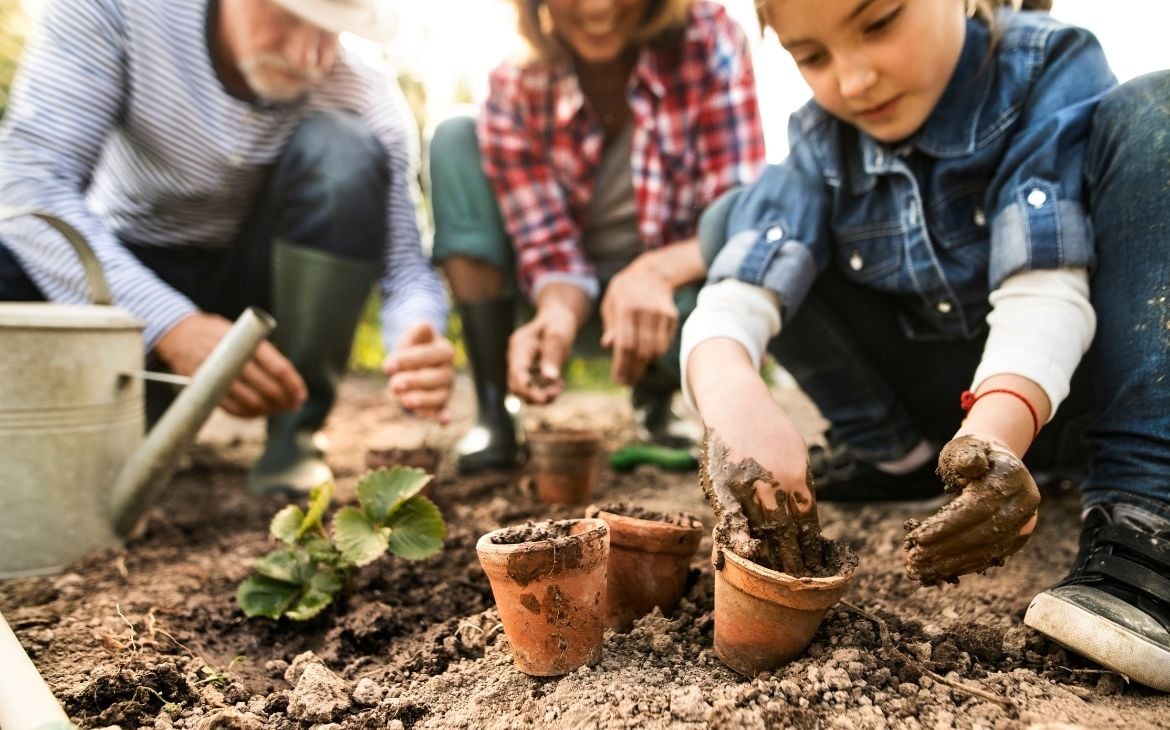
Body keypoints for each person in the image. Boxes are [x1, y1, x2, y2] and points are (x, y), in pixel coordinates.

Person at [682, 0, 1169, 691]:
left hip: (1079, 396)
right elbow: (737, 293)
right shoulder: (821, 138)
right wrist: (734, 397)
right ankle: (901, 460)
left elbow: (1045, 290)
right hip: (948, 416)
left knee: (1157, 108)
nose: (853, 80)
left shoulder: (1047, 68)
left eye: (879, 22)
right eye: (812, 56)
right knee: (734, 222)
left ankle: (1146, 515)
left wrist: (995, 434)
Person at [0, 0, 456, 496]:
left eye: (332, 31)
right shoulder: (115, 11)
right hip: (127, 272)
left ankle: (294, 435)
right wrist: (170, 325)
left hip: (259, 288)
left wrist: (416, 334)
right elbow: (28, 182)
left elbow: (405, 268)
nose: (308, 57)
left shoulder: (364, 91)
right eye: (289, 17)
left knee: (344, 149)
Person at [428, 0, 766, 473]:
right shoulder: (514, 84)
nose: (599, 5)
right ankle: (493, 405)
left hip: (673, 300)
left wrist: (654, 273)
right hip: (564, 302)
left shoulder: (709, 37)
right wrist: (557, 311)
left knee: (742, 276)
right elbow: (547, 247)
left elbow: (738, 216)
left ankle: (657, 395)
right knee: (455, 136)